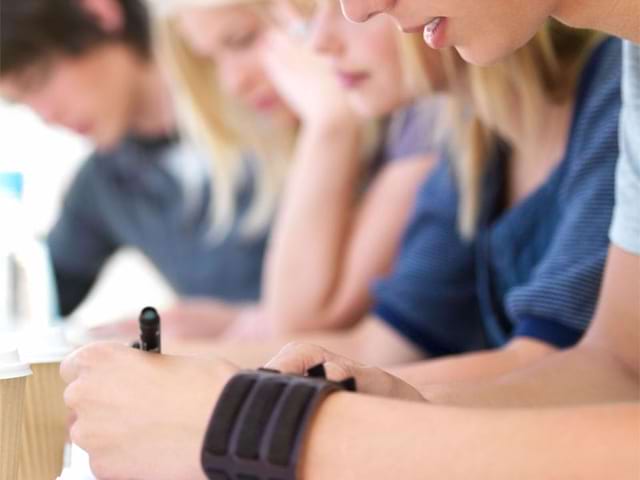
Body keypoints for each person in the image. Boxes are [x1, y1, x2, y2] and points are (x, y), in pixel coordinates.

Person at [60, 1, 640, 479]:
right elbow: (617, 367)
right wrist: (392, 404)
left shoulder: (603, 86)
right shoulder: (619, 73)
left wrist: (264, 425)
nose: (359, 12)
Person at [118, 0, 439, 339]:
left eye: (242, 40)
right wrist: (239, 321)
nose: (233, 83)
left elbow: (304, 321)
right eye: (212, 59)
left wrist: (330, 122)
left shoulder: (419, 121)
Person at [0, 0, 271, 331]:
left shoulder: (260, 93)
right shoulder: (104, 180)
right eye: (21, 101)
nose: (45, 114)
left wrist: (240, 326)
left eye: (37, 80)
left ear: (98, 13)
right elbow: (41, 289)